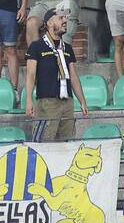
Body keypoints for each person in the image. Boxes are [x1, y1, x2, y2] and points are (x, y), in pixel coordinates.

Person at [24, 8, 89, 141]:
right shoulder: (37, 47)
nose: (65, 21)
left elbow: (74, 76)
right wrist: (29, 100)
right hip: (47, 101)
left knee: (67, 142)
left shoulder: (67, 48)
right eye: (61, 18)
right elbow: (31, 75)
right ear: (49, 23)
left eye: (65, 18)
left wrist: (82, 100)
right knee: (45, 142)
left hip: (67, 102)